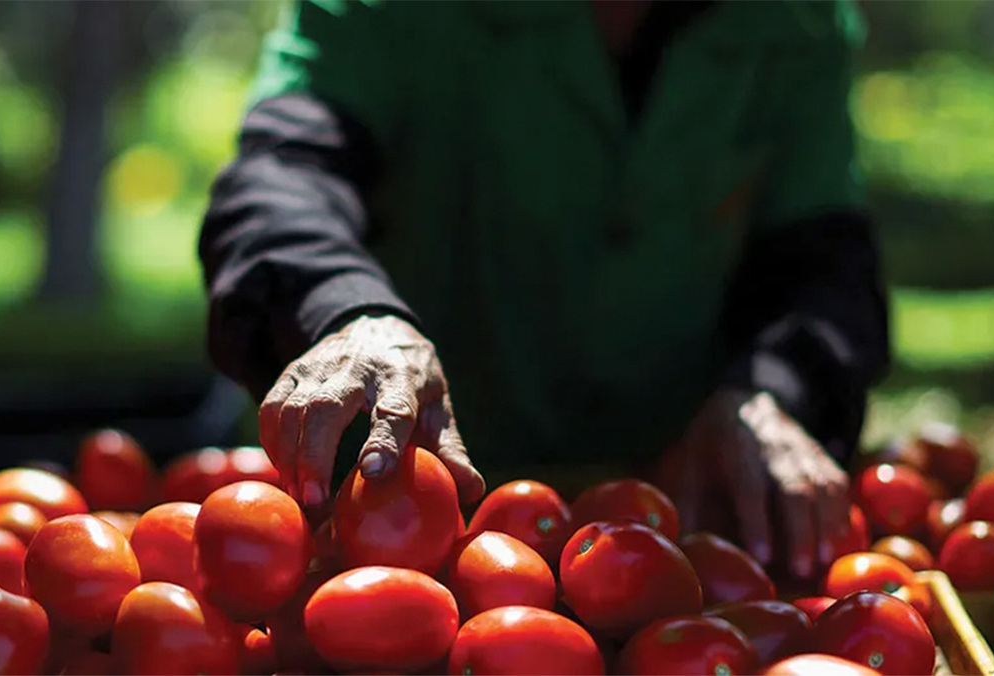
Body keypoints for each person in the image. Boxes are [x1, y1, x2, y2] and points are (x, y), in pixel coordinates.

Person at [199, 0, 890, 579]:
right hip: (363, 524)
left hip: (684, 544)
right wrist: (346, 312)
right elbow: (279, 185)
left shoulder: (794, 20)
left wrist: (775, 390)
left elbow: (822, 260)